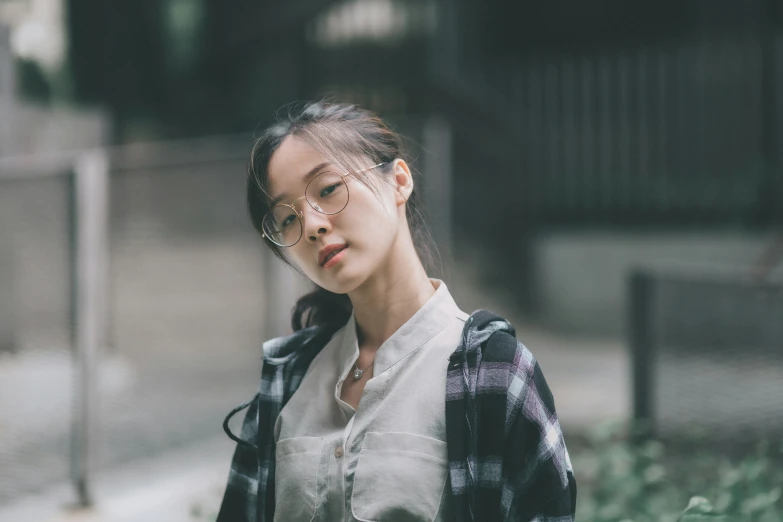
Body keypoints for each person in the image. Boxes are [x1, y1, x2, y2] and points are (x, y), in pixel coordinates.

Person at [217, 100, 577, 522]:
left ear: (399, 180)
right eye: (286, 218)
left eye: (328, 189)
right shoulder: (287, 377)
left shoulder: (493, 373)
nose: (311, 224)